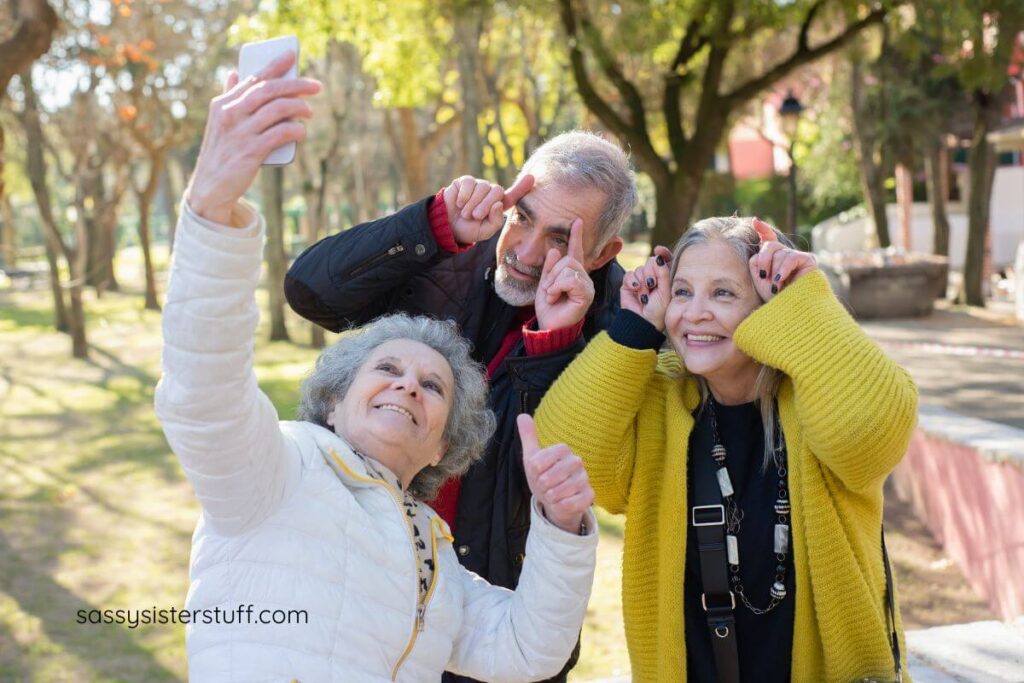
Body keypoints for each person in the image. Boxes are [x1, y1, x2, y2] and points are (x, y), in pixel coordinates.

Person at [158, 50, 600, 682]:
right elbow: (202, 391)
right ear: (334, 401)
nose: (406, 385)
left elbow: (527, 650)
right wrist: (210, 208)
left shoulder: (435, 559)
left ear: (447, 443)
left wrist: (561, 527)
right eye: (386, 368)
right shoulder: (277, 474)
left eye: (432, 386)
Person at [284, 99, 637, 681]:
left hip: (494, 617)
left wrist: (553, 341)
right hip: (368, 582)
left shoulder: (617, 327)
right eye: (521, 216)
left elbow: (545, 464)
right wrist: (431, 224)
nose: (524, 252)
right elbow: (309, 291)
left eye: (558, 239)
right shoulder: (451, 252)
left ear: (601, 253)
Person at [533, 216, 919, 682]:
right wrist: (634, 328)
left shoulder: (817, 397)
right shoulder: (660, 400)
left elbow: (869, 432)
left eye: (722, 293)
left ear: (768, 306)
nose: (694, 313)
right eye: (682, 292)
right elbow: (565, 456)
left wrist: (805, 302)